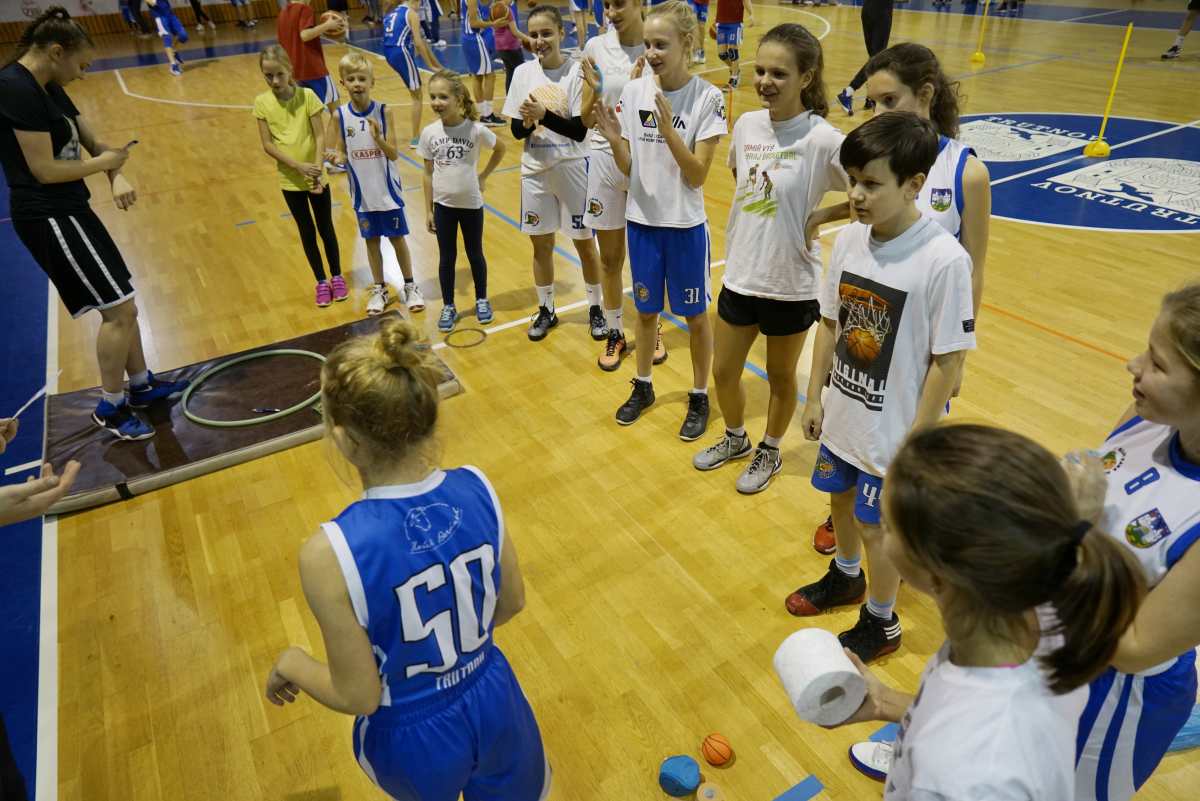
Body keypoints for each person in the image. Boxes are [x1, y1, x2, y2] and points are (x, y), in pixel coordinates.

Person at [264, 316, 550, 801]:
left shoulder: (327, 553)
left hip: (412, 733)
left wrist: (293, 662)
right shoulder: (478, 487)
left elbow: (359, 695)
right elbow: (512, 602)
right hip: (493, 695)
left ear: (345, 440)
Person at [823, 423, 1145, 797]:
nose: (876, 528)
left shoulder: (960, 776)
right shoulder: (1043, 607)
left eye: (888, 525)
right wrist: (884, 702)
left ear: (937, 573)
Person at [784, 112, 976, 663]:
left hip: (893, 433)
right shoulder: (849, 240)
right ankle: (847, 577)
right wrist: (815, 394)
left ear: (914, 184)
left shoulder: (944, 260)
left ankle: (881, 619)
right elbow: (830, 322)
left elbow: (947, 360)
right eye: (852, 181)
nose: (856, 195)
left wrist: (917, 441)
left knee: (878, 528)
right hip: (845, 413)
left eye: (871, 183)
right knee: (840, 500)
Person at [813, 41, 991, 555]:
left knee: (905, 451)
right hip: (869, 333)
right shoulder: (876, 163)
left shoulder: (965, 171)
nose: (877, 113)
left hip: (922, 340)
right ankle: (851, 515)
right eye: (871, 103)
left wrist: (956, 358)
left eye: (889, 101)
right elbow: (864, 216)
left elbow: (974, 267)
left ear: (926, 95)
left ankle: (895, 531)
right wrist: (826, 215)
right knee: (858, 437)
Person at [0, 7, 188, 441]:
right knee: (119, 312)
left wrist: (114, 171)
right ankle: (110, 405)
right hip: (49, 216)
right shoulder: (14, 89)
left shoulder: (48, 85)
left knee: (123, 300)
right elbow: (45, 170)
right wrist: (104, 165)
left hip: (72, 208)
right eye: (81, 65)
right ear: (56, 51)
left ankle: (141, 386)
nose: (82, 75)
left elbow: (93, 142)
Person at [693, 24, 847, 495]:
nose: (765, 82)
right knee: (723, 372)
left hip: (790, 282)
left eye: (779, 73)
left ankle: (771, 448)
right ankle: (736, 437)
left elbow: (871, 191)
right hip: (742, 272)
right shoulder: (746, 125)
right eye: (760, 70)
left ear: (806, 77)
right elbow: (744, 179)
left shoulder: (823, 139)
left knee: (781, 377)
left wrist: (821, 215)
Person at [1072, 283, 1200, 800]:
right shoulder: (1146, 421)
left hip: (1118, 698)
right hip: (1061, 643)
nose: (1133, 364)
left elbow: (1131, 650)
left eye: (1158, 363)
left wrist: (1071, 532)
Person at [593, 0, 727, 439]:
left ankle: (699, 394)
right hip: (642, 223)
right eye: (648, 44)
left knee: (696, 317)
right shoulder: (634, 92)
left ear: (686, 43)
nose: (651, 53)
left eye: (661, 45)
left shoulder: (708, 98)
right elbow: (631, 168)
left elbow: (697, 175)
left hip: (685, 227)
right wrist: (615, 140)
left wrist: (669, 132)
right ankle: (644, 384)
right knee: (646, 310)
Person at [502, 5, 605, 343]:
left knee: (585, 244)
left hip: (574, 167)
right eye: (533, 35)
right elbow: (516, 131)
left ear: (562, 33)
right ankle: (546, 309)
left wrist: (542, 114)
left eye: (546, 33)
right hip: (535, 170)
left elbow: (578, 130)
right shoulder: (522, 73)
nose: (539, 40)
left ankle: (596, 308)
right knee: (541, 245)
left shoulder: (576, 72)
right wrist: (530, 121)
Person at [581, 0, 668, 371]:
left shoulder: (659, 45)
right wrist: (598, 91)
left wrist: (637, 93)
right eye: (607, 5)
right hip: (604, 157)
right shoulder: (595, 46)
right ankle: (615, 330)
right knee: (611, 258)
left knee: (649, 255)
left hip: (646, 158)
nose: (611, 11)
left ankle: (652, 327)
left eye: (618, 3)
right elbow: (585, 118)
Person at [331, 53, 425, 316]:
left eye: (362, 78)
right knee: (371, 242)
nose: (357, 83)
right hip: (362, 195)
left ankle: (410, 285)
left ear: (372, 81)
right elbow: (341, 152)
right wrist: (337, 158)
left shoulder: (384, 111)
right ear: (343, 83)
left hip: (387, 192)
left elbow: (393, 154)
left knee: (397, 239)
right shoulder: (340, 116)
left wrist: (378, 138)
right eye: (351, 79)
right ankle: (380, 288)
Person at [254, 45, 345, 308]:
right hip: (290, 180)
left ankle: (337, 276)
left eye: (279, 74)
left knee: (326, 227)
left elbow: (319, 135)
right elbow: (267, 145)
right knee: (307, 231)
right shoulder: (262, 103)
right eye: (268, 76)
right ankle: (321, 281)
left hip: (316, 176)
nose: (275, 81)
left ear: (290, 70)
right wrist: (298, 166)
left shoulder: (307, 96)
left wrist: (316, 171)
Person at [419, 70, 506, 332]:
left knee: (475, 253)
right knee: (447, 258)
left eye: (443, 97)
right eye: (433, 97)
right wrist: (428, 210)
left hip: (471, 205)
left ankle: (482, 299)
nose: (437, 102)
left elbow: (500, 148)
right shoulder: (429, 133)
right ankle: (448, 305)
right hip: (443, 207)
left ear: (458, 98)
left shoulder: (475, 130)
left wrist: (484, 176)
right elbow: (427, 173)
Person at [382, 0, 444, 148]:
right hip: (400, 52)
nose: (420, 6)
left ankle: (416, 136)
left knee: (416, 93)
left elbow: (422, 43)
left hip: (390, 52)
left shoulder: (394, 13)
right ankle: (415, 138)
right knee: (417, 96)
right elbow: (418, 43)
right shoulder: (411, 14)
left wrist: (439, 67)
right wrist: (430, 66)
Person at [277, 0, 346, 123]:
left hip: (294, 71)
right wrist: (327, 25)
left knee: (308, 115)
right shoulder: (305, 9)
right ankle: (339, 136)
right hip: (313, 69)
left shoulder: (282, 13)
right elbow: (305, 35)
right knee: (337, 113)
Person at [835, 0, 892, 115]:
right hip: (882, 10)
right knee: (877, 59)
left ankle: (871, 97)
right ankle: (848, 92)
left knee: (874, 58)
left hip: (867, 10)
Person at [462, 0, 507, 126]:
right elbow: (474, 23)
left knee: (477, 77)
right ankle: (487, 115)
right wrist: (493, 24)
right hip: (474, 38)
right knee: (490, 76)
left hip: (468, 38)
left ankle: (484, 114)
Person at [708, 0, 754, 89]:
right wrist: (716, 18)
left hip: (735, 23)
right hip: (721, 23)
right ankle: (735, 69)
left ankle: (734, 77)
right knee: (722, 54)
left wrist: (751, 14)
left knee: (733, 51)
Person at [144, 0, 188, 77]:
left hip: (171, 15)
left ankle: (173, 49)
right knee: (167, 38)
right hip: (160, 18)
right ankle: (173, 65)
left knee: (183, 36)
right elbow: (153, 3)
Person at [495, 1, 531, 91]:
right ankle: (523, 95)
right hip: (511, 46)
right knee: (522, 73)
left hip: (500, 47)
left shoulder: (494, 8)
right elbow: (515, 32)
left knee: (510, 73)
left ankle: (509, 97)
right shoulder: (507, 10)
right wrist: (529, 39)